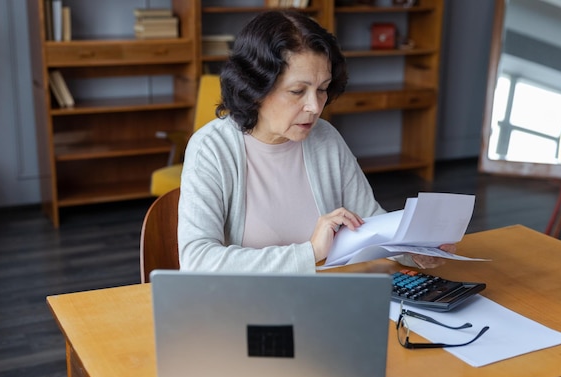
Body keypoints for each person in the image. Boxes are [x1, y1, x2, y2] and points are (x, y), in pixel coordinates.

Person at [178, 10, 454, 273]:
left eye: (322, 89)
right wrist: (309, 252)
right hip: (247, 305)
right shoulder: (211, 149)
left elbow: (369, 222)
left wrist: (411, 249)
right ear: (254, 89)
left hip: (324, 297)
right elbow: (197, 259)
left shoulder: (325, 138)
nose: (315, 106)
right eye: (298, 91)